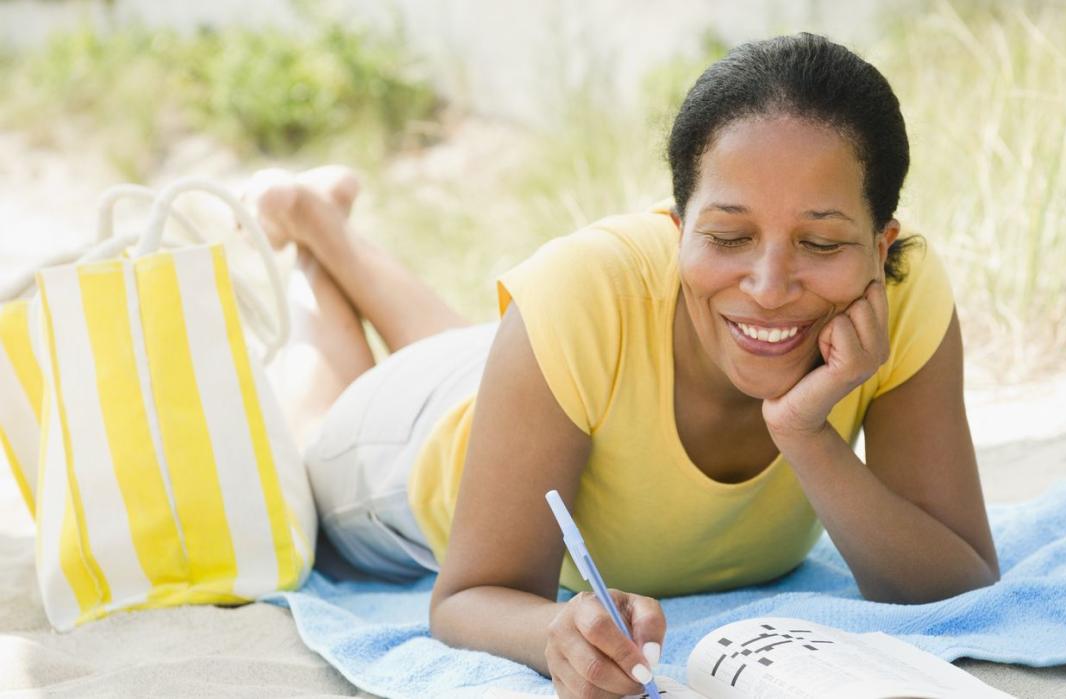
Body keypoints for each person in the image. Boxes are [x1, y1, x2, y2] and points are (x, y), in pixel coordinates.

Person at [248, 33, 999, 699]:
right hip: (405, 450)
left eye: (823, 244)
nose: (770, 287)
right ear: (675, 233)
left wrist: (805, 432)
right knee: (314, 428)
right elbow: (468, 594)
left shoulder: (903, 293)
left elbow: (955, 580)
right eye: (729, 237)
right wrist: (554, 634)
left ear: (881, 245)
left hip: (534, 369)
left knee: (486, 345)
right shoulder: (583, 292)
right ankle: (316, 256)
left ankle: (324, 226)